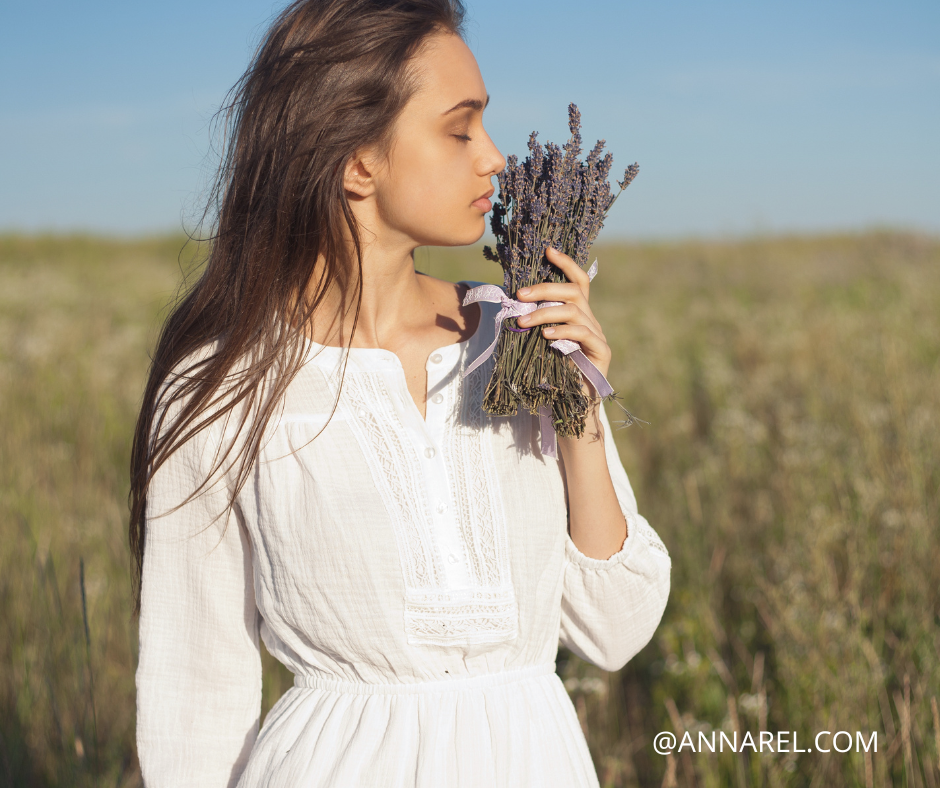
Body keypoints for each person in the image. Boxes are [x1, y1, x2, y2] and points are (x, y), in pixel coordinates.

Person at [129, 0, 671, 785]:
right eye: (460, 129)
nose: (496, 159)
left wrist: (580, 410)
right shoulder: (220, 389)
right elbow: (194, 696)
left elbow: (616, 631)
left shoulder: (515, 339)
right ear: (357, 160)